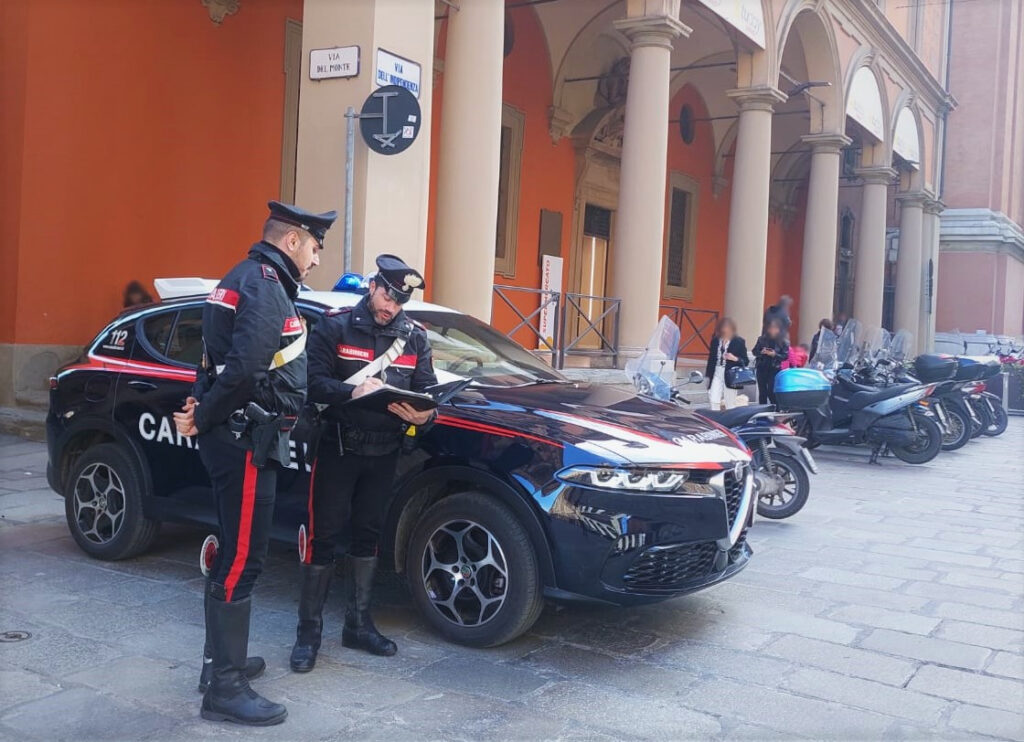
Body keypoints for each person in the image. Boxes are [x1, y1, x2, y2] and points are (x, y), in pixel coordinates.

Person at [174, 201, 336, 726]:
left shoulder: (241, 276)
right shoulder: (266, 283)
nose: (315, 260)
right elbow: (243, 369)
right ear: (292, 241)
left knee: (235, 553)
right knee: (243, 559)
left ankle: (220, 664)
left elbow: (212, 360)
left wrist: (202, 408)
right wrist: (207, 416)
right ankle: (224, 688)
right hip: (245, 441)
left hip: (236, 435)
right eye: (314, 248)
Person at [290, 254, 437, 673]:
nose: (392, 305)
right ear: (373, 285)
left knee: (368, 538)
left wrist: (425, 416)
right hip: (339, 448)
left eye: (400, 300)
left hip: (385, 452)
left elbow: (427, 391)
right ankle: (308, 634)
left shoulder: (415, 338)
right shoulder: (335, 327)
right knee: (323, 539)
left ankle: (358, 624)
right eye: (388, 294)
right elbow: (311, 383)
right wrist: (349, 393)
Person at [705, 317, 748, 411]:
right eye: (723, 327)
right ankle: (715, 417)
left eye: (727, 327)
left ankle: (730, 420)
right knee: (713, 397)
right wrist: (708, 375)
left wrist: (734, 358)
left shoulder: (739, 341)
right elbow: (711, 358)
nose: (725, 330)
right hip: (717, 371)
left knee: (730, 401)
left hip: (730, 373)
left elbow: (745, 361)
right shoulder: (716, 340)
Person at [753, 318, 789, 405]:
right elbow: (754, 351)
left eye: (775, 328)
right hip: (762, 367)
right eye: (771, 328)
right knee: (762, 392)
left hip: (774, 368)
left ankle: (776, 408)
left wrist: (774, 355)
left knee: (771, 391)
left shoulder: (784, 342)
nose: (772, 330)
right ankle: (762, 411)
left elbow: (785, 356)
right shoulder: (762, 339)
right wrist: (761, 352)